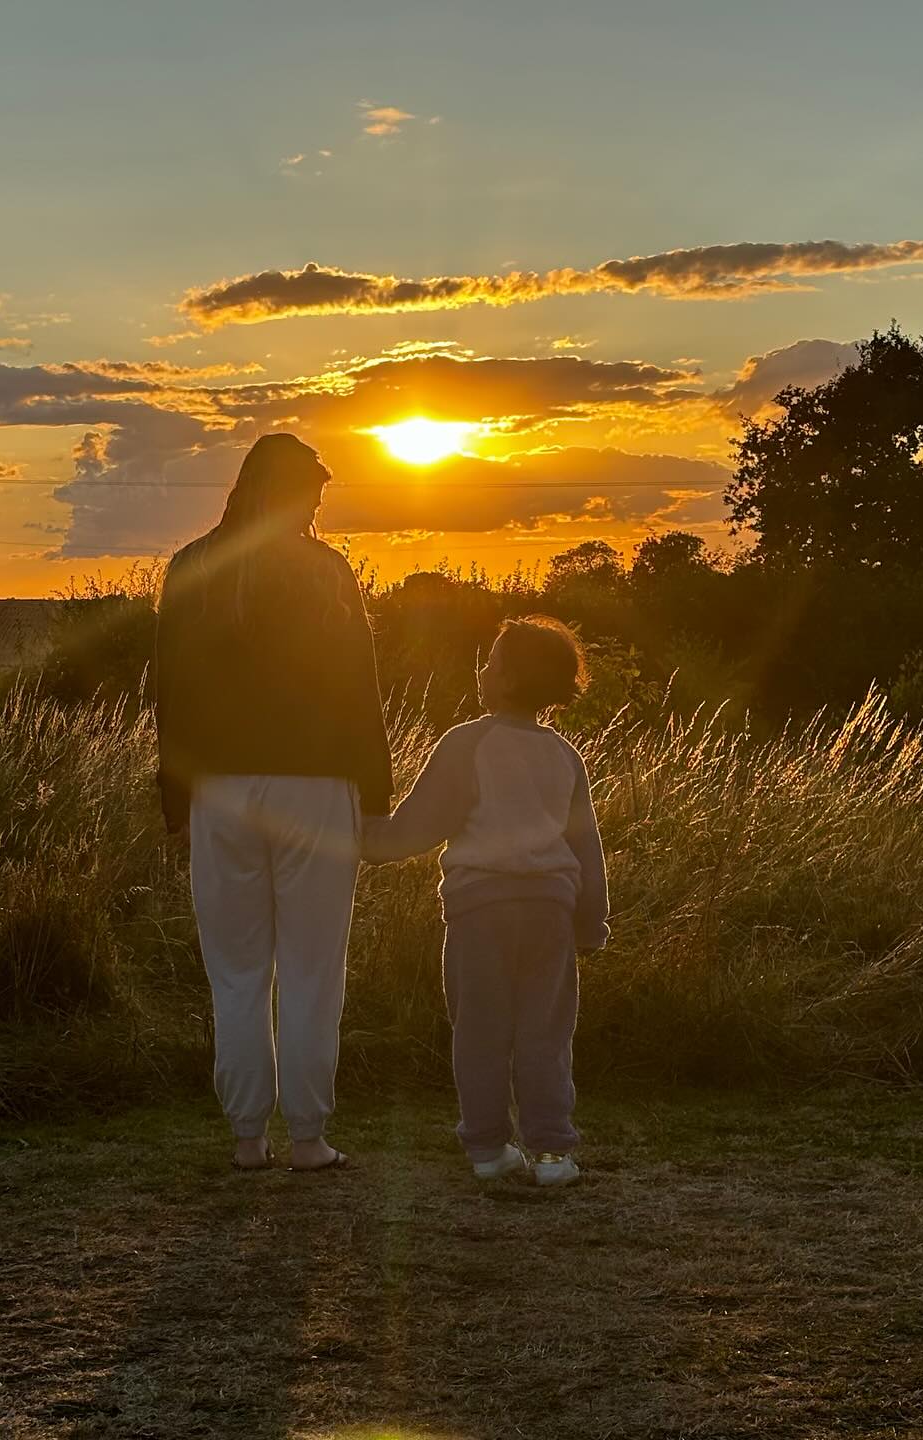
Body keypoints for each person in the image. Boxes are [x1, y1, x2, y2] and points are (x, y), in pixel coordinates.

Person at [154, 433, 392, 1172]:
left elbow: (171, 695)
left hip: (220, 792)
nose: (317, 510)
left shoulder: (191, 568)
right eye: (313, 496)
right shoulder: (327, 573)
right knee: (314, 968)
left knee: (237, 969)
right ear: (291, 492)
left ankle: (247, 1137)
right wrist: (375, 792)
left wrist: (177, 798)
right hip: (317, 789)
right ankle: (310, 1136)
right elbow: (360, 691)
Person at [361, 616, 608, 1187]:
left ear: (510, 679)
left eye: (492, 662)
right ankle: (551, 1153)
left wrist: (363, 837)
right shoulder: (566, 756)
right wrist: (591, 925)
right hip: (550, 910)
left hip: (479, 911)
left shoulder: (466, 743)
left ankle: (489, 1149)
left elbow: (419, 826)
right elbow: (585, 847)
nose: (481, 670)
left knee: (480, 1029)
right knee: (546, 1031)